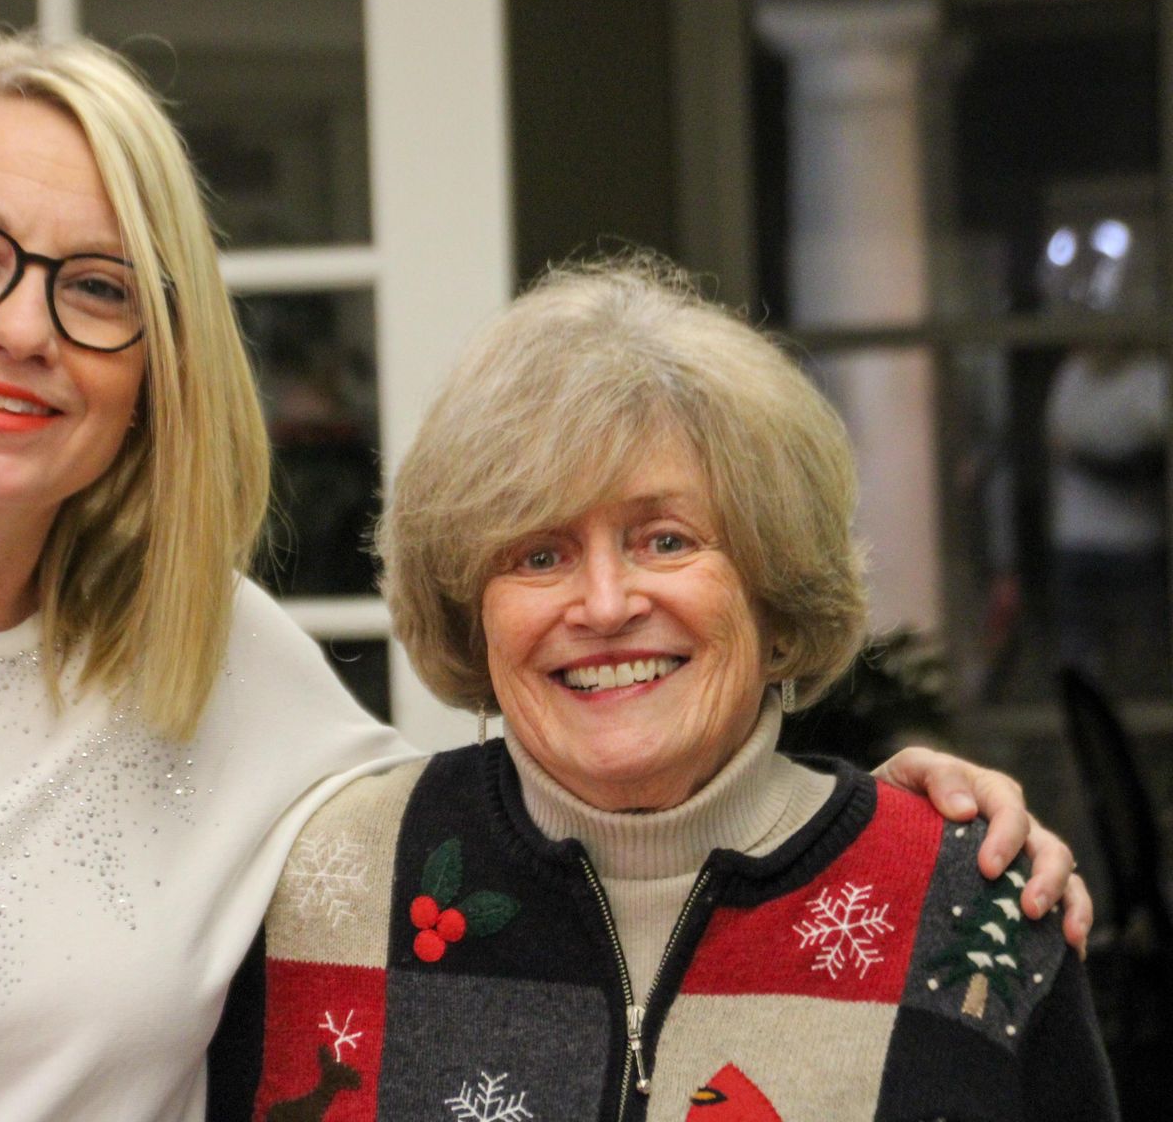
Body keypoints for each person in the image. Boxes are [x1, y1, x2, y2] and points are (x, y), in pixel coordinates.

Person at [0, 36, 1082, 1121]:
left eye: (98, 287)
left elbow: (567, 797)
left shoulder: (224, 674)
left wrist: (892, 815)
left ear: (153, 370)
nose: (21, 326)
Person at [212, 258, 1115, 1121]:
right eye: (540, 555)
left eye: (667, 541)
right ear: (471, 611)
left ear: (772, 585)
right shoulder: (317, 890)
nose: (604, 605)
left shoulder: (969, 902)